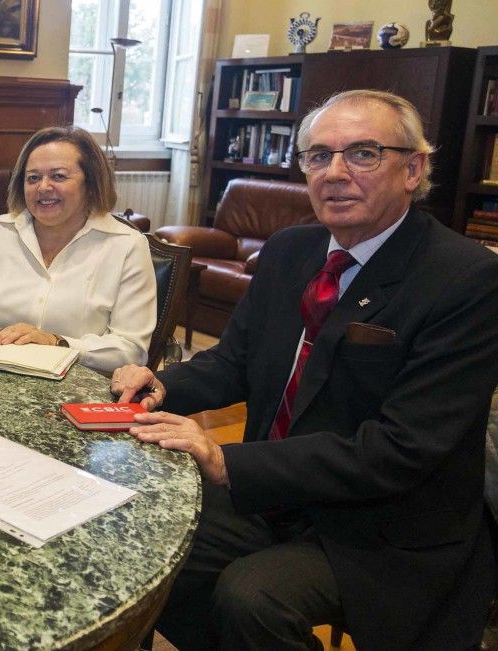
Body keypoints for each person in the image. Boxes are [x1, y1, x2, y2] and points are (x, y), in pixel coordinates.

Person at [112, 89, 498, 649]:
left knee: (252, 598)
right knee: (141, 541)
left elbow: (403, 449)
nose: (334, 173)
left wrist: (225, 460)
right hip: (279, 490)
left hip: (386, 523)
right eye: (319, 156)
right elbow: (233, 362)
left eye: (363, 153)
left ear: (414, 169)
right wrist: (162, 385)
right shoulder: (292, 251)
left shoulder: (465, 280)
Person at [0, 126, 155, 373]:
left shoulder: (127, 246)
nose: (43, 187)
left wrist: (58, 342)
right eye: (33, 178)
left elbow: (131, 349)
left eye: (58, 176)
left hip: (81, 389)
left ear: (91, 183)